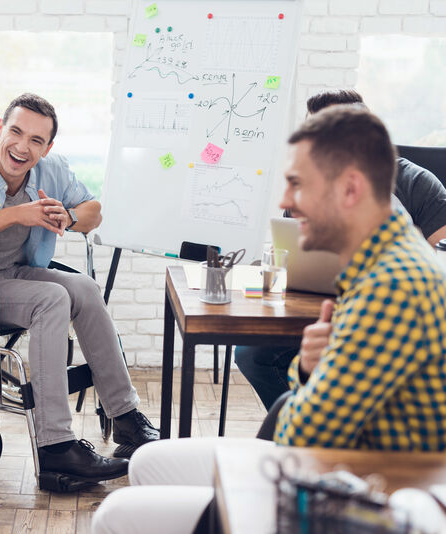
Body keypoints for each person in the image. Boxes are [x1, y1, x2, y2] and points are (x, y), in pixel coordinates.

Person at [92, 106, 446, 534]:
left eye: (298, 184)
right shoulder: (383, 258)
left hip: (362, 490)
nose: (285, 201)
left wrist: (308, 373)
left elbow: (299, 439)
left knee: (116, 515)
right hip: (336, 464)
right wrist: (311, 370)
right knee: (148, 460)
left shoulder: (391, 288)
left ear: (350, 189)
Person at [0, 93, 158, 484]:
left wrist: (70, 215)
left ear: (48, 147)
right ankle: (55, 447)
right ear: (0, 129)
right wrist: (17, 214)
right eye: (15, 131)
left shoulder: (53, 170)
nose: (22, 146)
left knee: (84, 289)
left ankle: (126, 419)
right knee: (52, 299)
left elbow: (94, 211)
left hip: (13, 273)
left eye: (36, 140)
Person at [236, 88, 446, 410]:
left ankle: (312, 424)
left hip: (385, 315)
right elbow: (292, 248)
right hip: (315, 311)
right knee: (251, 354)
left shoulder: (416, 183)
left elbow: (437, 255)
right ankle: (305, 422)